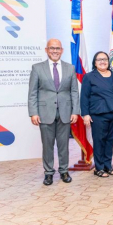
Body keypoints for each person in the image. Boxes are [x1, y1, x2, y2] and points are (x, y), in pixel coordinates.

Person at [28, 38, 80, 186]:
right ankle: (49, 173)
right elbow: (32, 92)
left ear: (62, 50)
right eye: (52, 48)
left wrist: (75, 111)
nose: (55, 51)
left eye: (57, 48)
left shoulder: (70, 68)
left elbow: (74, 91)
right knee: (47, 145)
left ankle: (64, 171)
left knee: (64, 145)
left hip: (65, 112)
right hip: (44, 113)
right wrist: (33, 112)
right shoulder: (37, 68)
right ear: (46, 50)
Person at [81, 52, 113, 178]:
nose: (102, 62)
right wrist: (85, 114)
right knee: (99, 141)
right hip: (97, 114)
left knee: (109, 141)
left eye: (105, 59)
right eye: (99, 59)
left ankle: (107, 165)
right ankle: (98, 168)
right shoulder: (89, 77)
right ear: (95, 62)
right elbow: (84, 97)